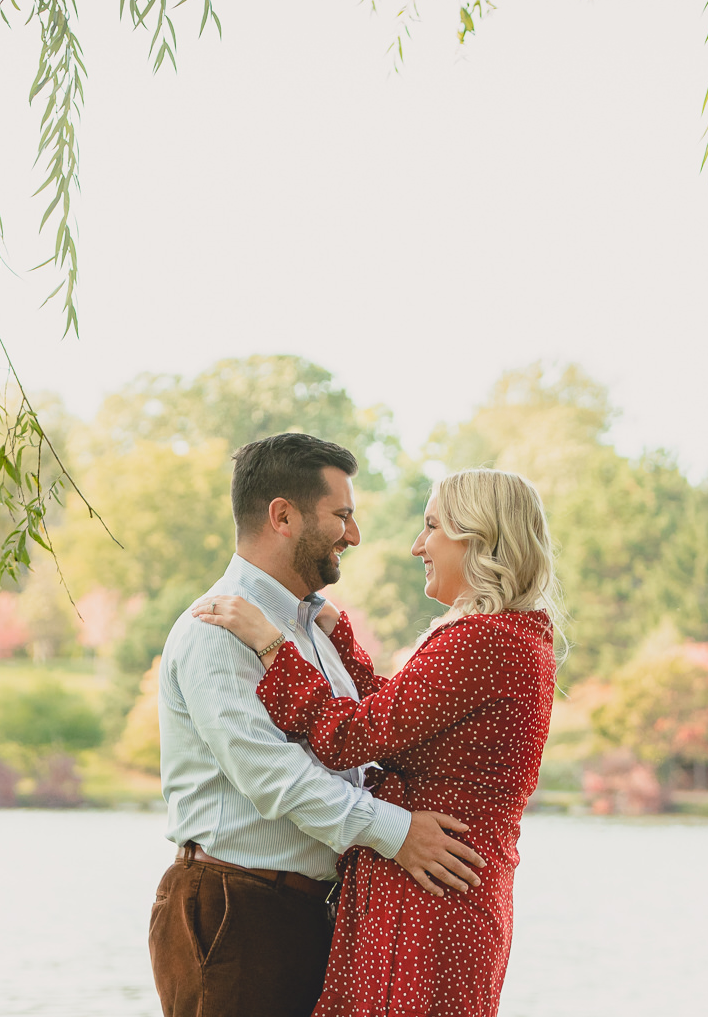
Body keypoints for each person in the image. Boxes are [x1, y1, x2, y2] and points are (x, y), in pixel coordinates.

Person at [194, 467, 562, 1017]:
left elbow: (350, 738)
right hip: (438, 894)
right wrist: (341, 636)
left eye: (432, 526)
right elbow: (398, 725)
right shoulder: (510, 637)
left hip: (429, 902)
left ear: (479, 537)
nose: (418, 546)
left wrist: (273, 647)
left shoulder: (484, 642)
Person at [150, 433, 487, 1017]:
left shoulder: (309, 628)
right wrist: (397, 831)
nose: (353, 535)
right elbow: (272, 775)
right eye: (342, 515)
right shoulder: (217, 626)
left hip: (306, 911)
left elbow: (359, 735)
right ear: (283, 516)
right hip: (237, 909)